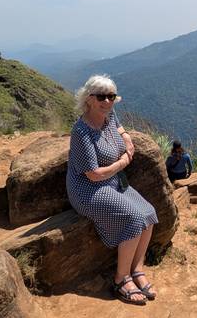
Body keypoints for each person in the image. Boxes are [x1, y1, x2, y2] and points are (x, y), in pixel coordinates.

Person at [66, 74, 158, 306]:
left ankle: (137, 268)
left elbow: (119, 126)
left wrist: (126, 138)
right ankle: (121, 278)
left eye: (111, 96)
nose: (107, 101)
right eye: (101, 97)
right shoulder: (81, 132)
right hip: (88, 189)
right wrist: (124, 162)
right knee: (135, 218)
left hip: (113, 181)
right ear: (89, 99)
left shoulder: (108, 114)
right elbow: (93, 174)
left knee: (148, 213)